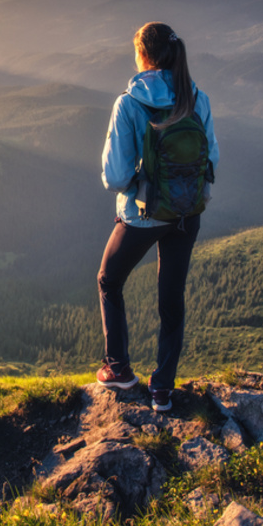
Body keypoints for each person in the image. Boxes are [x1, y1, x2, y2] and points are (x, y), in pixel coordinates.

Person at [95, 22, 219, 412]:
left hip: (143, 214)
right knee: (172, 299)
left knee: (109, 280)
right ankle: (162, 389)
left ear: (143, 56)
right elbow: (210, 158)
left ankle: (119, 369)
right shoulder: (197, 98)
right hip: (187, 213)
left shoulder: (130, 103)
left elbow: (115, 176)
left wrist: (138, 182)